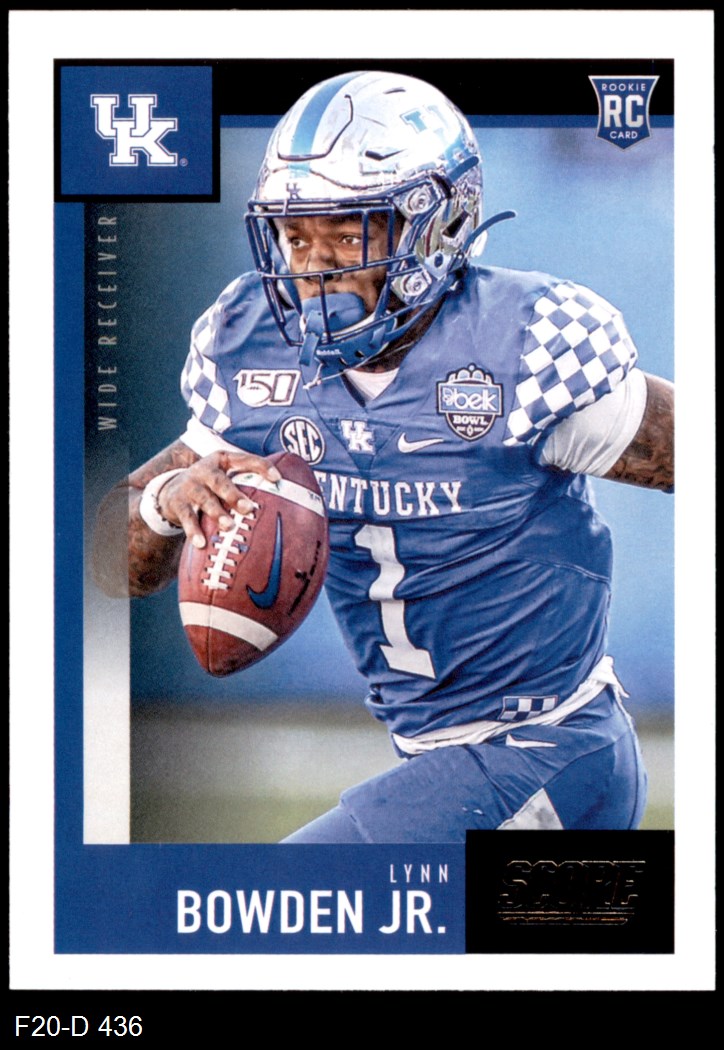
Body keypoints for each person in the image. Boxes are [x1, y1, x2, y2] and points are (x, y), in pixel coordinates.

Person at [93, 71, 674, 843]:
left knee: (287, 902)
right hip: (441, 764)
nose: (313, 268)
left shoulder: (524, 345)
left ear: (437, 226)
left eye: (346, 234)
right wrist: (169, 500)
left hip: (550, 752)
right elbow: (108, 561)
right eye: (296, 237)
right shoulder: (256, 349)